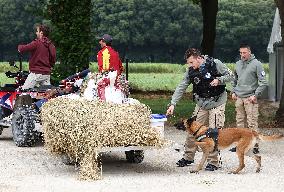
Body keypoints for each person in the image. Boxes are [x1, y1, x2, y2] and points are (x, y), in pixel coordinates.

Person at [166, 48, 234, 171]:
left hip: (216, 102)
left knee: (214, 133)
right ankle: (188, 157)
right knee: (191, 129)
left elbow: (231, 76)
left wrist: (219, 80)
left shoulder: (216, 64)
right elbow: (182, 86)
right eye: (188, 63)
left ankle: (213, 162)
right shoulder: (191, 71)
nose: (190, 65)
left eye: (192, 62)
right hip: (201, 103)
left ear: (199, 58)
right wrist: (173, 104)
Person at [231, 44, 268, 153]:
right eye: (240, 53)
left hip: (250, 98)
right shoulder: (237, 64)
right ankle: (240, 145)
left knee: (252, 122)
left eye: (244, 53)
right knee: (239, 122)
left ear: (249, 52)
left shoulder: (257, 64)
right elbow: (234, 80)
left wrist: (255, 95)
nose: (242, 55)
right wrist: (233, 91)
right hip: (238, 97)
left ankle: (255, 146)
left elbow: (263, 82)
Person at [18, 24, 56, 90]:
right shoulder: (51, 44)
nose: (36, 33)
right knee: (47, 94)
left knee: (24, 91)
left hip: (36, 73)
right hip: (46, 74)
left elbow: (23, 49)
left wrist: (19, 47)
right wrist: (50, 66)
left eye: (37, 31)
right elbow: (53, 58)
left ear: (41, 33)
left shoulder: (36, 43)